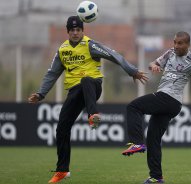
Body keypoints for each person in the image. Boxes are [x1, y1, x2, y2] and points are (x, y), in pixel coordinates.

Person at [28, 15, 148, 183]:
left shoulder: (90, 45)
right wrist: (41, 94)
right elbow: (52, 73)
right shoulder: (62, 50)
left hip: (92, 87)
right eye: (72, 30)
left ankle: (93, 115)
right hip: (74, 93)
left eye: (78, 30)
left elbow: (113, 55)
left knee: (86, 79)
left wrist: (132, 71)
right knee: (61, 128)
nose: (76, 33)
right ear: (68, 32)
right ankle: (62, 170)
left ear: (82, 31)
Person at [121, 31, 191, 184]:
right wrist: (154, 66)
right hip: (169, 103)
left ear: (188, 45)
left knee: (133, 107)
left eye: (180, 43)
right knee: (153, 139)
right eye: (174, 42)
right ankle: (156, 177)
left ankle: (136, 142)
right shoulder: (169, 53)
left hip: (170, 99)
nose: (176, 46)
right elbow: (152, 64)